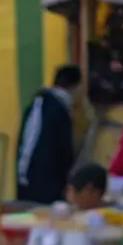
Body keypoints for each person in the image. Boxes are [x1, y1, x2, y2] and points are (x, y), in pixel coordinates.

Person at [16, 64, 82, 204]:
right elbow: (64, 151)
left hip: (28, 180)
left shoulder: (39, 103)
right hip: (44, 184)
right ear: (75, 86)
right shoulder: (56, 109)